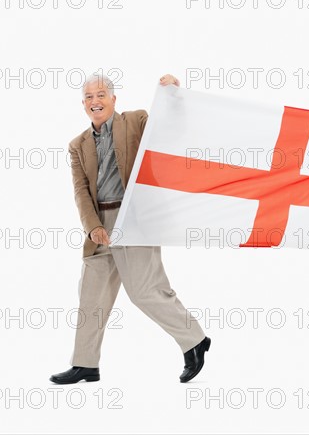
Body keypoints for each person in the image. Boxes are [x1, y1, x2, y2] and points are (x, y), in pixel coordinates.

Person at [50, 73, 210, 384]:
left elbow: (171, 133)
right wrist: (93, 226)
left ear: (112, 99)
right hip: (100, 228)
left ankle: (194, 339)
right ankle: (85, 364)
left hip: (133, 219)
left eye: (100, 95)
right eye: (88, 97)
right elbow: (81, 191)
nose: (95, 101)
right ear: (83, 104)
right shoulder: (77, 145)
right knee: (91, 296)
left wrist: (173, 97)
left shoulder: (135, 121)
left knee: (144, 290)